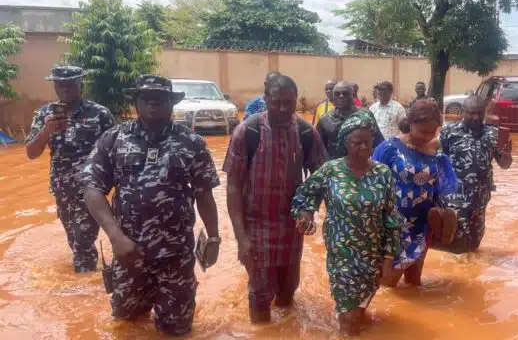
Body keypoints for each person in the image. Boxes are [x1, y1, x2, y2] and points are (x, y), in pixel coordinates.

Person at [83, 75, 221, 336]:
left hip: (176, 256)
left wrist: (213, 238)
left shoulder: (192, 142)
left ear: (172, 103)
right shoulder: (113, 139)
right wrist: (115, 236)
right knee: (127, 324)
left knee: (177, 330)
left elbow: (204, 195)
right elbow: (91, 190)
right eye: (146, 97)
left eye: (160, 98)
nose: (153, 103)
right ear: (135, 102)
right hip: (128, 253)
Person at [223, 75, 327, 324]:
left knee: (288, 289)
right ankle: (261, 330)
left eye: (288, 103)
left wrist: (309, 210)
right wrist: (241, 239)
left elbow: (321, 178)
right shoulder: (247, 131)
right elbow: (233, 187)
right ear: (266, 99)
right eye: (276, 102)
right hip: (256, 225)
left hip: (292, 227)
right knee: (259, 293)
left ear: (296, 101)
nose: (282, 109)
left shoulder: (305, 132)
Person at [291, 110, 402, 336]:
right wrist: (307, 213)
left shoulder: (383, 174)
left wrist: (389, 259)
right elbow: (305, 193)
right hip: (342, 254)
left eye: (367, 142)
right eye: (356, 142)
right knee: (349, 320)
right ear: (345, 143)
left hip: (373, 255)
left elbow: (391, 218)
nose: (363, 147)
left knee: (360, 311)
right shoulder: (331, 170)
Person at [25, 65, 115, 273]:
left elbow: (114, 151)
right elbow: (31, 153)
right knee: (74, 239)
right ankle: (88, 276)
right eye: (60, 84)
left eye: (70, 84)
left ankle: (82, 290)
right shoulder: (44, 114)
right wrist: (47, 130)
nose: (65, 89)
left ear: (80, 84)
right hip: (62, 188)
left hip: (91, 188)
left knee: (83, 241)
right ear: (55, 86)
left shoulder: (100, 114)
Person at [373, 100, 458, 287]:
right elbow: (373, 183)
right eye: (423, 131)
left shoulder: (435, 148)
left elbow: (443, 182)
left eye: (433, 132)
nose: (428, 137)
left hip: (423, 222)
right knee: (387, 283)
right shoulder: (389, 148)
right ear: (411, 124)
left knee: (414, 282)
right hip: (394, 226)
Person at [438, 95, 513, 253]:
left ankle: (473, 270)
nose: (476, 117)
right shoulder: (449, 132)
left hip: (481, 196)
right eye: (471, 113)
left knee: (475, 241)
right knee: (458, 240)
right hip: (455, 195)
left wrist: (506, 153)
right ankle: (458, 272)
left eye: (480, 113)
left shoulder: (494, 134)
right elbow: (438, 161)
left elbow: (505, 165)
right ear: (463, 112)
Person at [316, 81, 384, 160]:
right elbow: (319, 151)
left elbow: (379, 144)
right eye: (337, 94)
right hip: (336, 168)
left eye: (345, 93)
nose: (341, 96)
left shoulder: (366, 115)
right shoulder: (325, 120)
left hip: (361, 166)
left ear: (352, 95)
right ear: (333, 97)